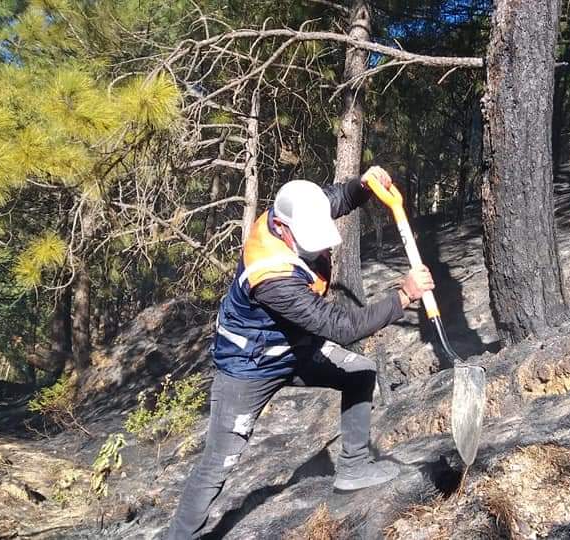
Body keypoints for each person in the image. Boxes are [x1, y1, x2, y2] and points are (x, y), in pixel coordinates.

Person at [166, 166, 434, 539]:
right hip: (250, 366)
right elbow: (341, 326)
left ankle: (354, 467)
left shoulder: (302, 206)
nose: (321, 248)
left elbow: (340, 197)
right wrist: (403, 296)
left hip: (294, 347)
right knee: (218, 463)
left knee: (360, 371)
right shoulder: (271, 275)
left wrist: (364, 185)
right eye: (311, 241)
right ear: (283, 228)